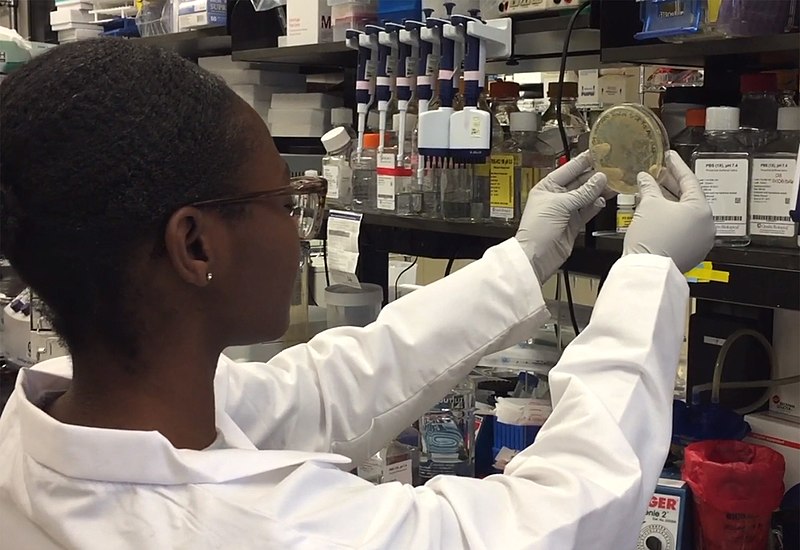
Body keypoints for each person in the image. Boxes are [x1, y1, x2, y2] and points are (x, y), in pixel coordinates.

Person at [0, 39, 714, 549]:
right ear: (195, 246)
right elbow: (563, 517)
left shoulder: (48, 421)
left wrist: (523, 262)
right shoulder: (268, 530)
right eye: (284, 199)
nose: (298, 226)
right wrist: (647, 274)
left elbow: (322, 390)